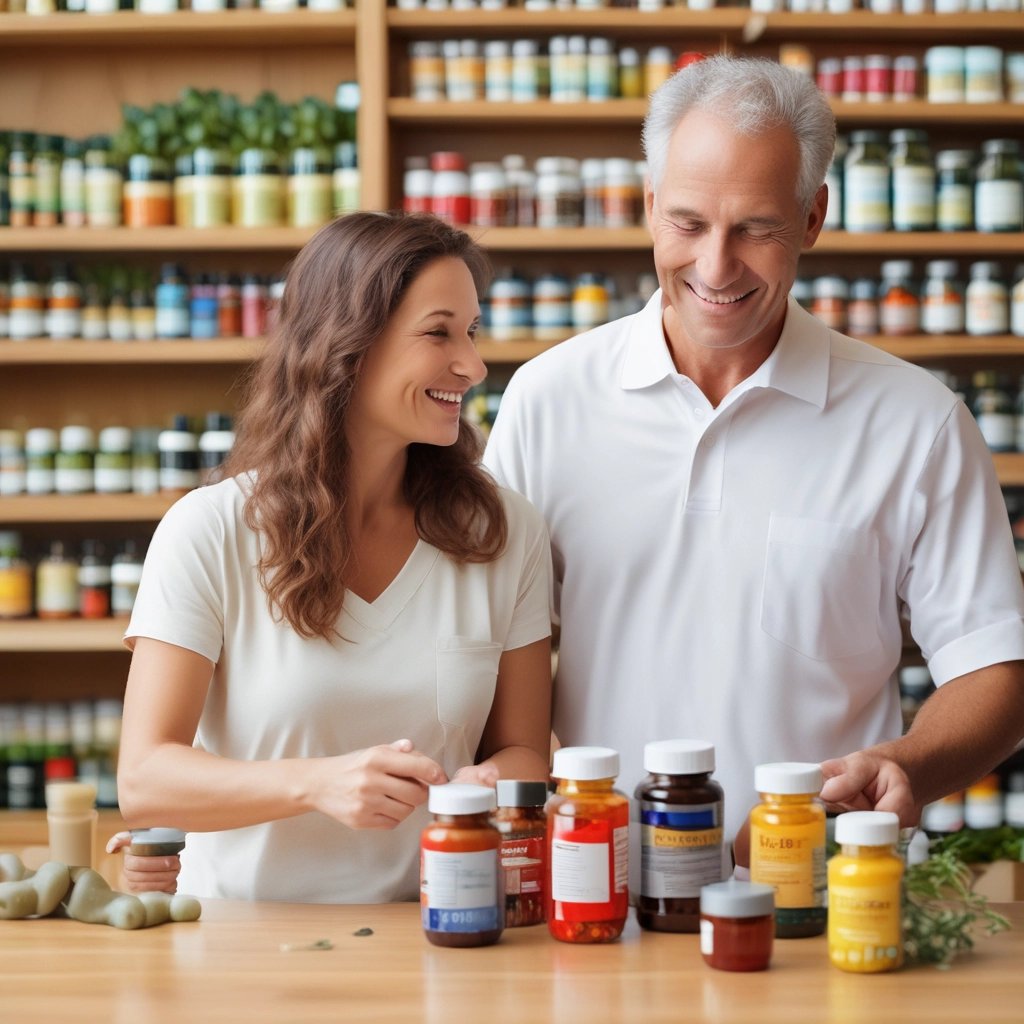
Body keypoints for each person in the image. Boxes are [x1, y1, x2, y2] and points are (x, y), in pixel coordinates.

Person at [483, 55, 1024, 863]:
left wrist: (906, 764)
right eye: (689, 224)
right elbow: (485, 650)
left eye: (756, 229)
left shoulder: (918, 424)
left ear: (812, 217)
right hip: (598, 893)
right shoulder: (548, 399)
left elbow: (997, 671)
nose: (715, 267)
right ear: (650, 206)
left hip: (825, 890)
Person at [111, 212, 553, 902]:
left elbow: (523, 750)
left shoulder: (505, 532)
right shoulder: (210, 531)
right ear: (347, 344)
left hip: (441, 930)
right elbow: (144, 781)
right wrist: (317, 783)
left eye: (472, 331)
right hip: (240, 943)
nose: (472, 365)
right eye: (438, 333)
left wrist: (493, 782)